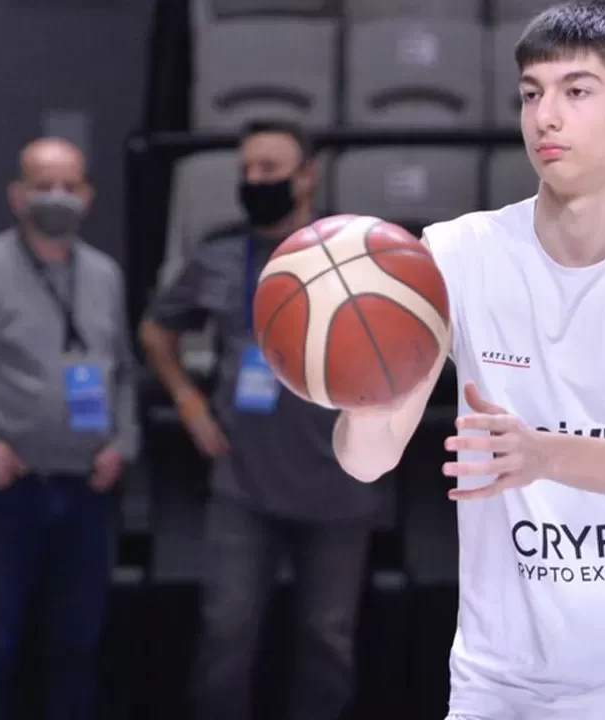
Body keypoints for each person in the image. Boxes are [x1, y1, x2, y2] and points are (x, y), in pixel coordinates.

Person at [333, 2, 605, 718]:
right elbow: (365, 460)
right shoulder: (455, 255)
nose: (545, 117)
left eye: (576, 91)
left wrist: (545, 455)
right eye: (531, 94)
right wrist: (358, 381)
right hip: (508, 690)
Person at [139, 118, 385, 720]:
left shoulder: (354, 254)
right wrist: (189, 403)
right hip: (242, 483)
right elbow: (155, 330)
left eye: (269, 169)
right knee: (226, 631)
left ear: (307, 177)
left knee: (328, 639)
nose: (254, 180)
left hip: (339, 483)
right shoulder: (219, 255)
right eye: (246, 170)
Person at [0, 137, 139, 720]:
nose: (57, 196)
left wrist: (124, 442)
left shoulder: (105, 274)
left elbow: (123, 370)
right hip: (9, 491)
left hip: (88, 490)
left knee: (79, 643)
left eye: (69, 185)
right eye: (43, 185)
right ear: (17, 195)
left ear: (87, 196)